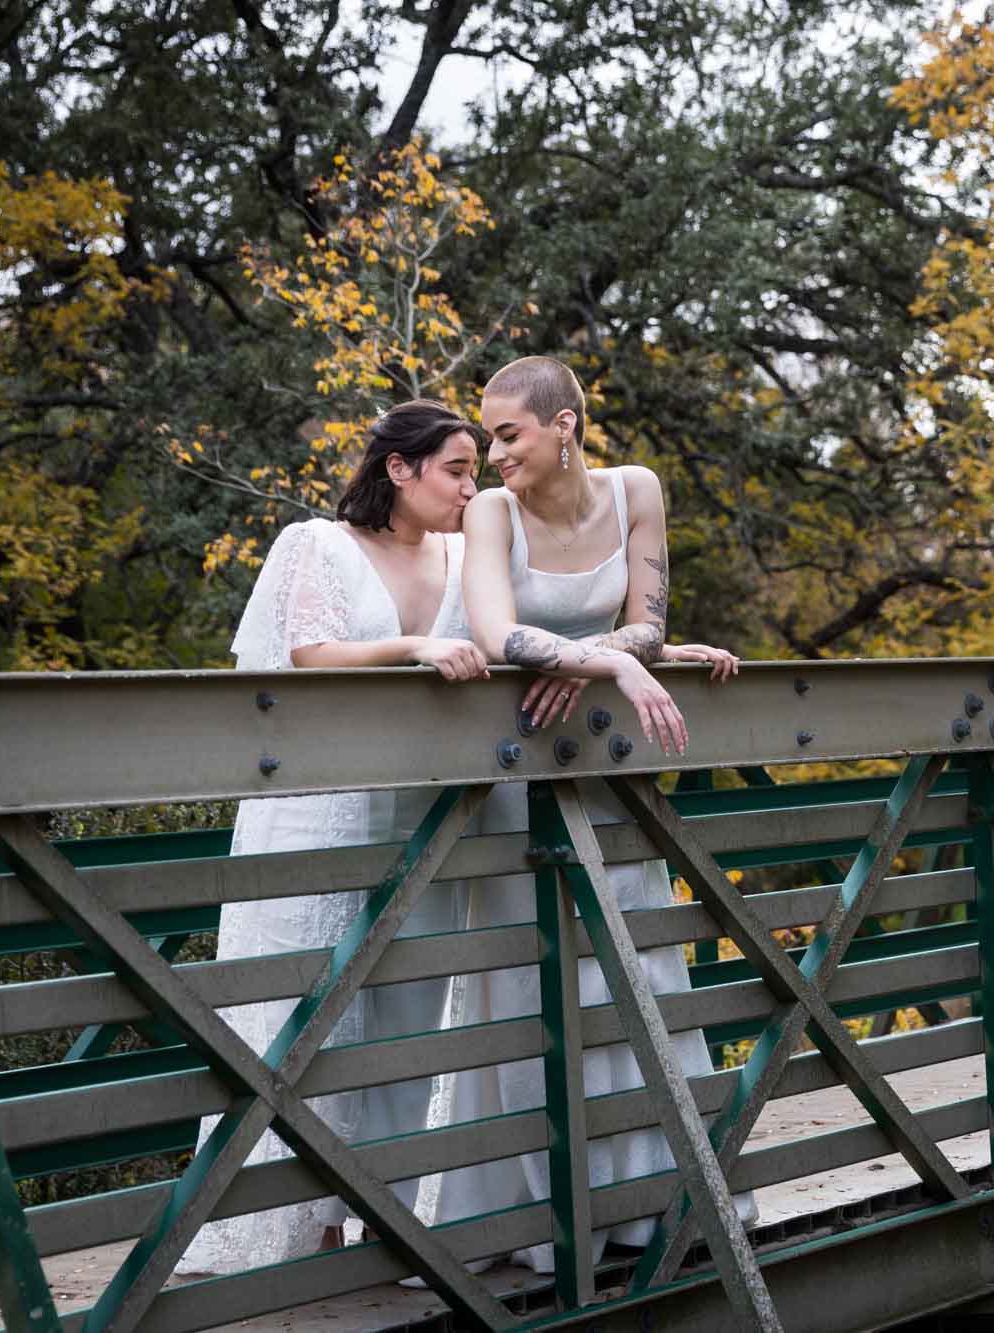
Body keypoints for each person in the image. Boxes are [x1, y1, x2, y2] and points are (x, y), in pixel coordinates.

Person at [434, 355, 752, 1274]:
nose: (493, 455)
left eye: (508, 435)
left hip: (605, 768)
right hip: (513, 772)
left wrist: (614, 653)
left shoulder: (637, 489)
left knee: (635, 965)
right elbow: (497, 640)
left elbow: (652, 624)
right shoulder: (493, 512)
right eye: (488, 437)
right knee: (529, 977)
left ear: (565, 425)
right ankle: (537, 1218)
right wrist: (610, 662)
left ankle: (652, 1201)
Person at [177, 400, 490, 1276]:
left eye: (476, 470)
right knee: (304, 1005)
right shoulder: (314, 544)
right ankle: (289, 1232)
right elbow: (309, 654)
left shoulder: (473, 554)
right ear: (400, 469)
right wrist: (415, 646)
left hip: (425, 816)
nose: (473, 486)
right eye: (457, 470)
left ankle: (389, 1216)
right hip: (319, 807)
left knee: (410, 1007)